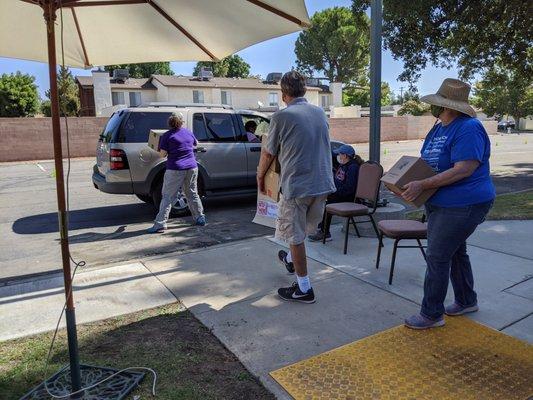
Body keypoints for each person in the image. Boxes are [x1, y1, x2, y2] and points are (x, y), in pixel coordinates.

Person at [402, 78, 496, 329]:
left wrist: (423, 185)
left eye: (437, 105)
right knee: (455, 252)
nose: (433, 109)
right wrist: (409, 181)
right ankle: (466, 300)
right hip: (440, 202)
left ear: (448, 106)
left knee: (438, 256)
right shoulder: (438, 128)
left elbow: (463, 170)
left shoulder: (469, 128)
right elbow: (428, 163)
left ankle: (432, 313)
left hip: (465, 203)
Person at [257, 71, 336, 304]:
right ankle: (292, 261)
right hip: (322, 184)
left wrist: (260, 177)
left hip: (297, 185)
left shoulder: (282, 116)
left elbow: (269, 152)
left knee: (295, 236)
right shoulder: (320, 112)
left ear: (283, 94)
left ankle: (304, 289)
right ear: (304, 90)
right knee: (303, 231)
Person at [147, 112, 206, 233]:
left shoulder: (167, 136)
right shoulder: (188, 132)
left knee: (168, 196)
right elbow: (196, 143)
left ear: (169, 122)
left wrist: (157, 148)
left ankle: (160, 224)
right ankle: (200, 217)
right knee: (192, 193)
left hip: (175, 169)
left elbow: (162, 155)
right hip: (192, 167)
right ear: (182, 122)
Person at [307, 144, 364, 242]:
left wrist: (335, 191)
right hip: (339, 194)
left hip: (349, 198)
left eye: (340, 154)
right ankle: (322, 225)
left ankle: (325, 233)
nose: (338, 156)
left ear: (345, 156)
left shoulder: (352, 168)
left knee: (329, 203)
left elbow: (349, 189)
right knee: (322, 196)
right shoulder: (343, 165)